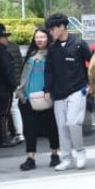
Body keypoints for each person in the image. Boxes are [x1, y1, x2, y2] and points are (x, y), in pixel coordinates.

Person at [44, 13, 93, 171]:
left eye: (53, 29)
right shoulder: (52, 49)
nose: (51, 33)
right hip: (58, 93)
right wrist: (47, 89)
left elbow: (93, 64)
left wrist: (91, 83)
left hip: (78, 90)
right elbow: (49, 70)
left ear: (62, 27)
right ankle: (66, 158)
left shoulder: (79, 44)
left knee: (73, 122)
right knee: (62, 126)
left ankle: (80, 151)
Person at [16, 28, 59, 171]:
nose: (39, 40)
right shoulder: (30, 55)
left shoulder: (53, 54)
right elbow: (24, 76)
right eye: (37, 37)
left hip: (47, 98)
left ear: (48, 38)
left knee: (52, 127)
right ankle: (30, 158)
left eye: (42, 37)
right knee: (29, 130)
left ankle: (55, 155)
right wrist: (21, 94)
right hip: (28, 98)